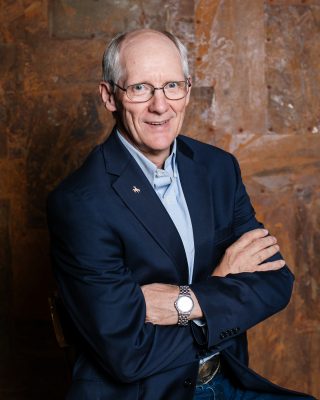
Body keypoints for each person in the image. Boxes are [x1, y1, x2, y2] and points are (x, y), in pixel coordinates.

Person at [47, 29, 314, 400]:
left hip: (226, 377)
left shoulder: (217, 168)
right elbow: (128, 354)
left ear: (187, 90)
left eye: (172, 85)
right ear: (110, 96)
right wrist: (223, 287)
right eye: (140, 88)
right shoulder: (80, 202)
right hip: (145, 393)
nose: (161, 105)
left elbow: (275, 283)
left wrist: (184, 301)